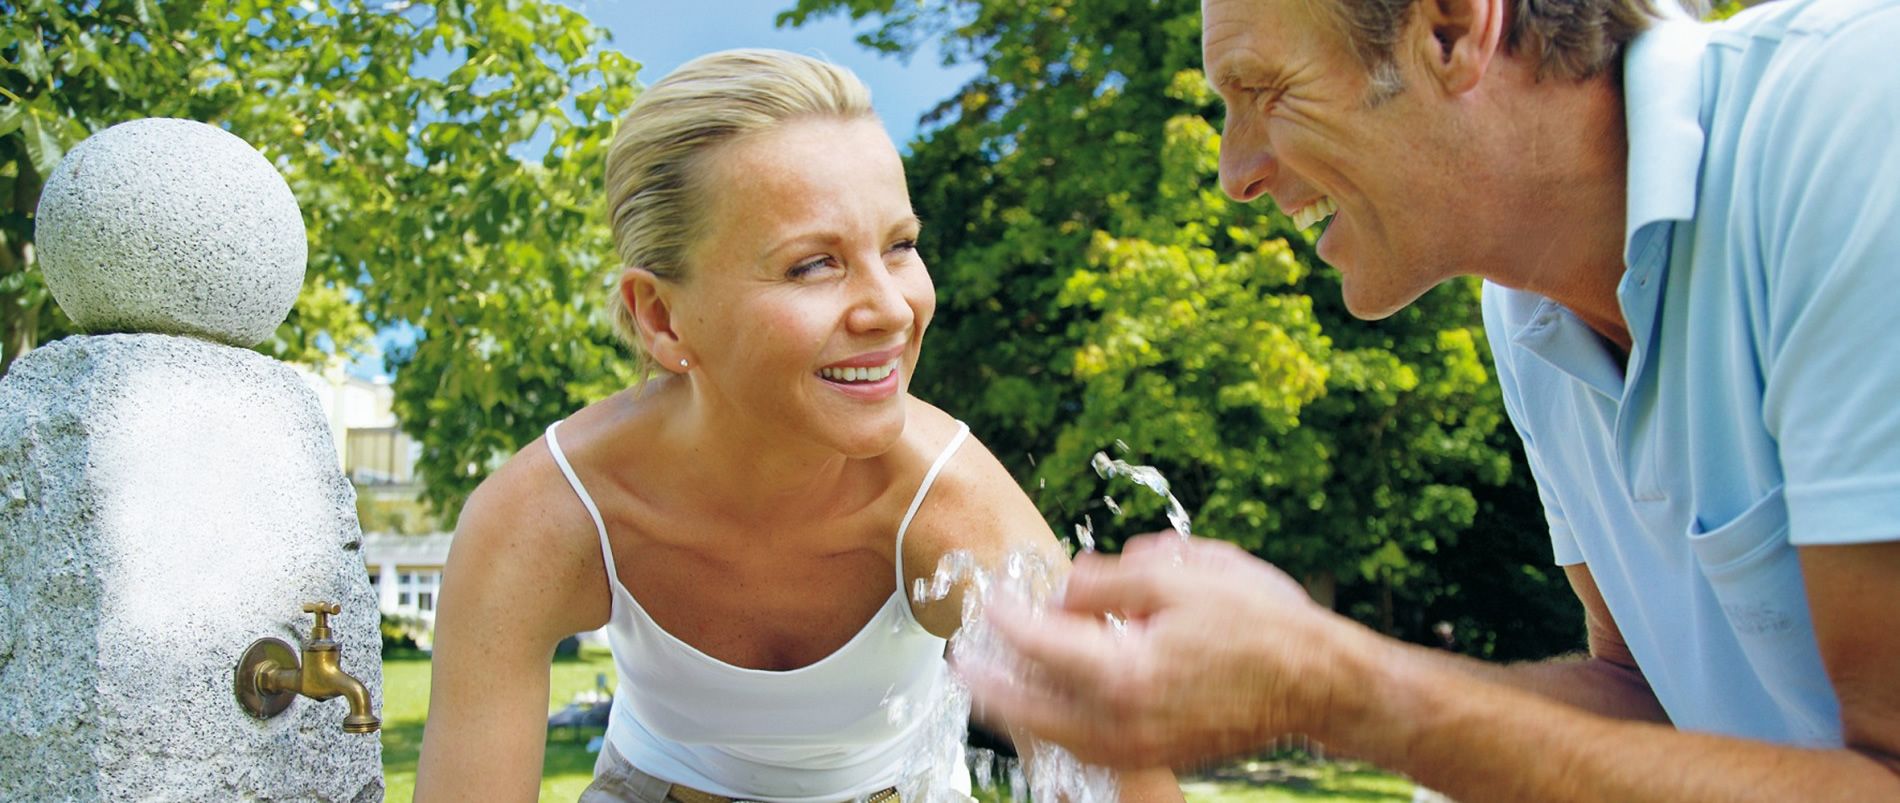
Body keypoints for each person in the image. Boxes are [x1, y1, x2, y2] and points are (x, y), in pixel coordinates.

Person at [961, 0, 1900, 798]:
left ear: (1451, 30)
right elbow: (1645, 695)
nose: (1236, 174)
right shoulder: (1525, 311)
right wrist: (1283, 669)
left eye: (1263, 90)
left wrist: (1332, 684)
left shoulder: (1853, 121)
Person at [411, 49, 1179, 803]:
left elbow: (1122, 782)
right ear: (663, 316)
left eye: (900, 246)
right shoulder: (548, 519)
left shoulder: (952, 509)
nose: (892, 309)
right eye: (813, 264)